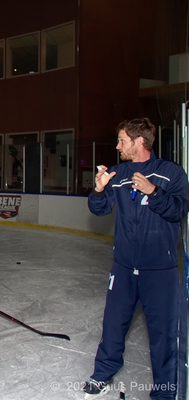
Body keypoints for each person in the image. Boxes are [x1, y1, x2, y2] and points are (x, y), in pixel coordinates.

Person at [84, 118, 189, 399]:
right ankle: (102, 373)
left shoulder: (171, 173)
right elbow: (99, 210)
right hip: (124, 267)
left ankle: (164, 392)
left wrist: (153, 192)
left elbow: (178, 209)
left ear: (139, 141)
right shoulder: (117, 173)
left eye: (122, 141)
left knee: (163, 333)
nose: (117, 146)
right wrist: (99, 189)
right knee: (113, 324)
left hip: (160, 270)